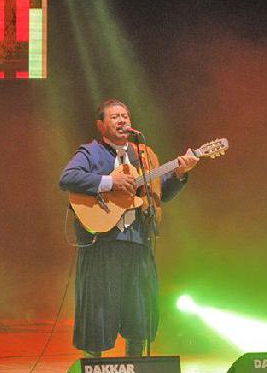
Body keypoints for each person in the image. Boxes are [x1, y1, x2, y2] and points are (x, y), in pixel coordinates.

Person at [59, 99, 198, 358]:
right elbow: (67, 178)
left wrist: (180, 174)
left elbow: (159, 195)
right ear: (101, 125)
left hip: (137, 241)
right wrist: (108, 181)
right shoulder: (90, 152)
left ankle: (135, 371)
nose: (122, 120)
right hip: (102, 243)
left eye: (125, 116)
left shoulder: (144, 155)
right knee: (98, 309)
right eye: (115, 117)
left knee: (139, 309)